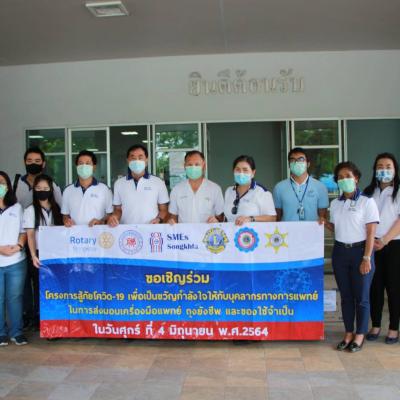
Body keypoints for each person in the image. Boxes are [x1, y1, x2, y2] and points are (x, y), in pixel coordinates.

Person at [324, 161, 379, 352]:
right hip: (340, 252)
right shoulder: (335, 203)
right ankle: (348, 332)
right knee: (346, 296)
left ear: (356, 178)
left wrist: (366, 258)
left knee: (361, 297)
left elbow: (371, 232)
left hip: (360, 252)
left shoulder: (367, 201)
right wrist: (325, 224)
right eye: (340, 177)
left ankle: (360, 334)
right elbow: (338, 228)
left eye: (348, 176)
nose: (344, 179)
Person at [363, 153, 400, 344]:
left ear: (395, 170)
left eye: (388, 166)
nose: (384, 170)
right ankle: (375, 325)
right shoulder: (368, 191)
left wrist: (384, 240)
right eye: (380, 166)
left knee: (394, 288)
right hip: (372, 245)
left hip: (394, 245)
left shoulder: (399, 191)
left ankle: (393, 328)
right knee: (374, 287)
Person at [22, 174, 63, 327]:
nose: (42, 191)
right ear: (34, 190)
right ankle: (40, 319)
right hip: (38, 254)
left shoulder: (57, 209)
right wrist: (33, 255)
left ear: (51, 190)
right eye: (38, 188)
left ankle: (54, 318)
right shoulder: (30, 210)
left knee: (54, 287)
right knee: (39, 287)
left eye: (45, 188)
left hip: (55, 254)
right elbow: (30, 235)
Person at [108, 145, 169, 226]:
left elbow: (164, 209)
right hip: (127, 230)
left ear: (146, 160)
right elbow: (118, 209)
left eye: (140, 157)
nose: (137, 161)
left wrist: (159, 219)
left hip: (151, 229)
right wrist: (114, 217)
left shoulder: (158, 182)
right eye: (133, 158)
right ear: (128, 161)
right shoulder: (119, 183)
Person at [0, 171, 28, 346]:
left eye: (2, 182)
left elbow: (23, 231)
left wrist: (18, 246)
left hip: (16, 261)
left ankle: (16, 332)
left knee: (15, 297)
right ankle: (1, 333)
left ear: (8, 186)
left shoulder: (17, 207)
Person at [273, 147, 329, 222]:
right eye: (293, 160)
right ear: (289, 165)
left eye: (301, 159)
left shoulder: (320, 187)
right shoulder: (279, 187)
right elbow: (277, 217)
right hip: (287, 229)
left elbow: (323, 218)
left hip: (312, 229)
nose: (296, 162)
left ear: (308, 164)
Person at [168, 151, 224, 224]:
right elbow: (173, 216)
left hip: (208, 231)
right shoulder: (177, 189)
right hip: (185, 231)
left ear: (204, 166)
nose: (193, 167)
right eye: (190, 164)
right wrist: (171, 221)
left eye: (197, 164)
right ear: (184, 166)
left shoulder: (215, 189)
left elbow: (221, 217)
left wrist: (216, 220)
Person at [62, 150, 113, 226]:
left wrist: (101, 221)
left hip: (97, 232)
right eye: (80, 163)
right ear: (76, 167)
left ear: (94, 167)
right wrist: (66, 221)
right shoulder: (68, 190)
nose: (84, 166)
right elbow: (65, 215)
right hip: (75, 232)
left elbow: (110, 214)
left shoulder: (105, 189)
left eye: (88, 163)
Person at [224, 155, 276, 225]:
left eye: (245, 170)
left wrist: (251, 218)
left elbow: (272, 218)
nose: (241, 173)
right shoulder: (229, 191)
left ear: (253, 173)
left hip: (254, 232)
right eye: (237, 169)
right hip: (230, 231)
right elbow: (226, 218)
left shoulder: (262, 192)